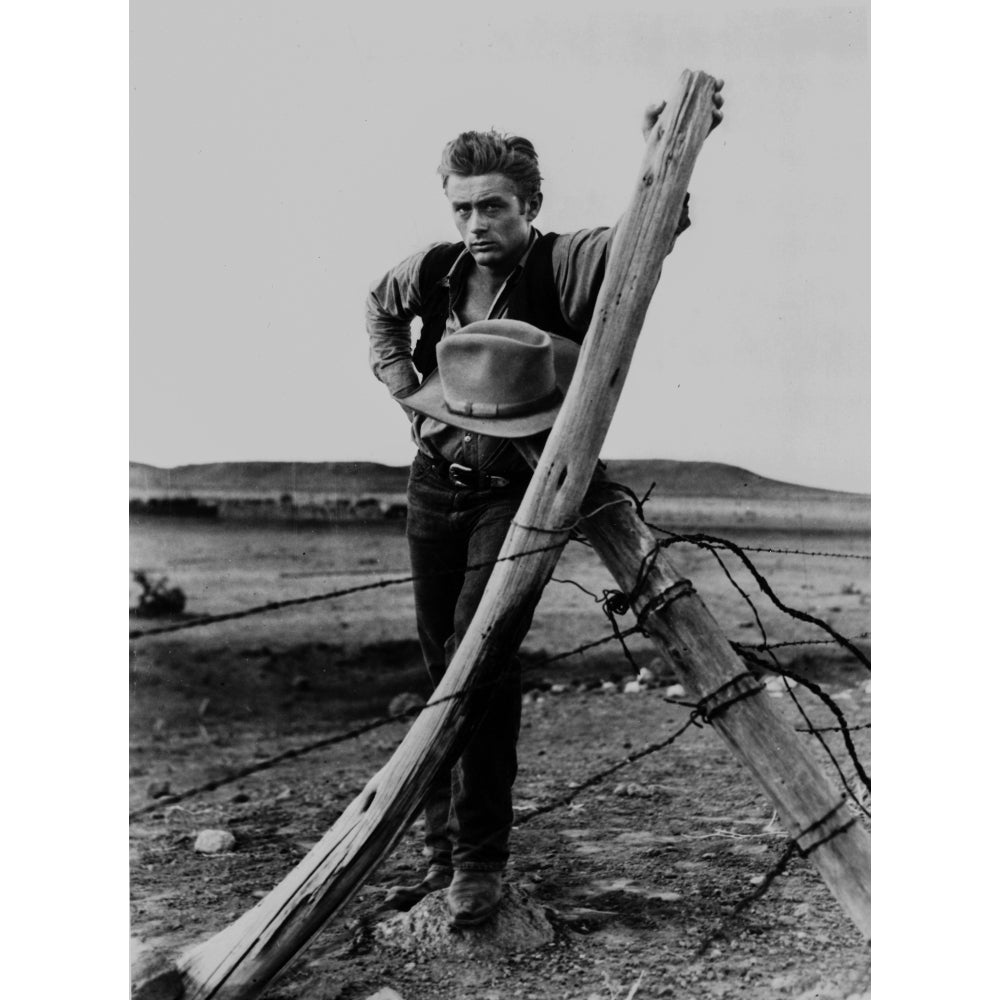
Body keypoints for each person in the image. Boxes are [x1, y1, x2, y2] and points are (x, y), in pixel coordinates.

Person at [366, 88, 723, 928]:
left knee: (478, 666)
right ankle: (438, 854)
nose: (475, 224)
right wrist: (407, 390)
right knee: (439, 672)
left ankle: (479, 865)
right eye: (462, 208)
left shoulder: (563, 261)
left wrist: (660, 166)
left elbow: (647, 238)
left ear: (530, 204)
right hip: (433, 484)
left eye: (492, 206)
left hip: (515, 496)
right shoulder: (432, 270)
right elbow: (380, 312)